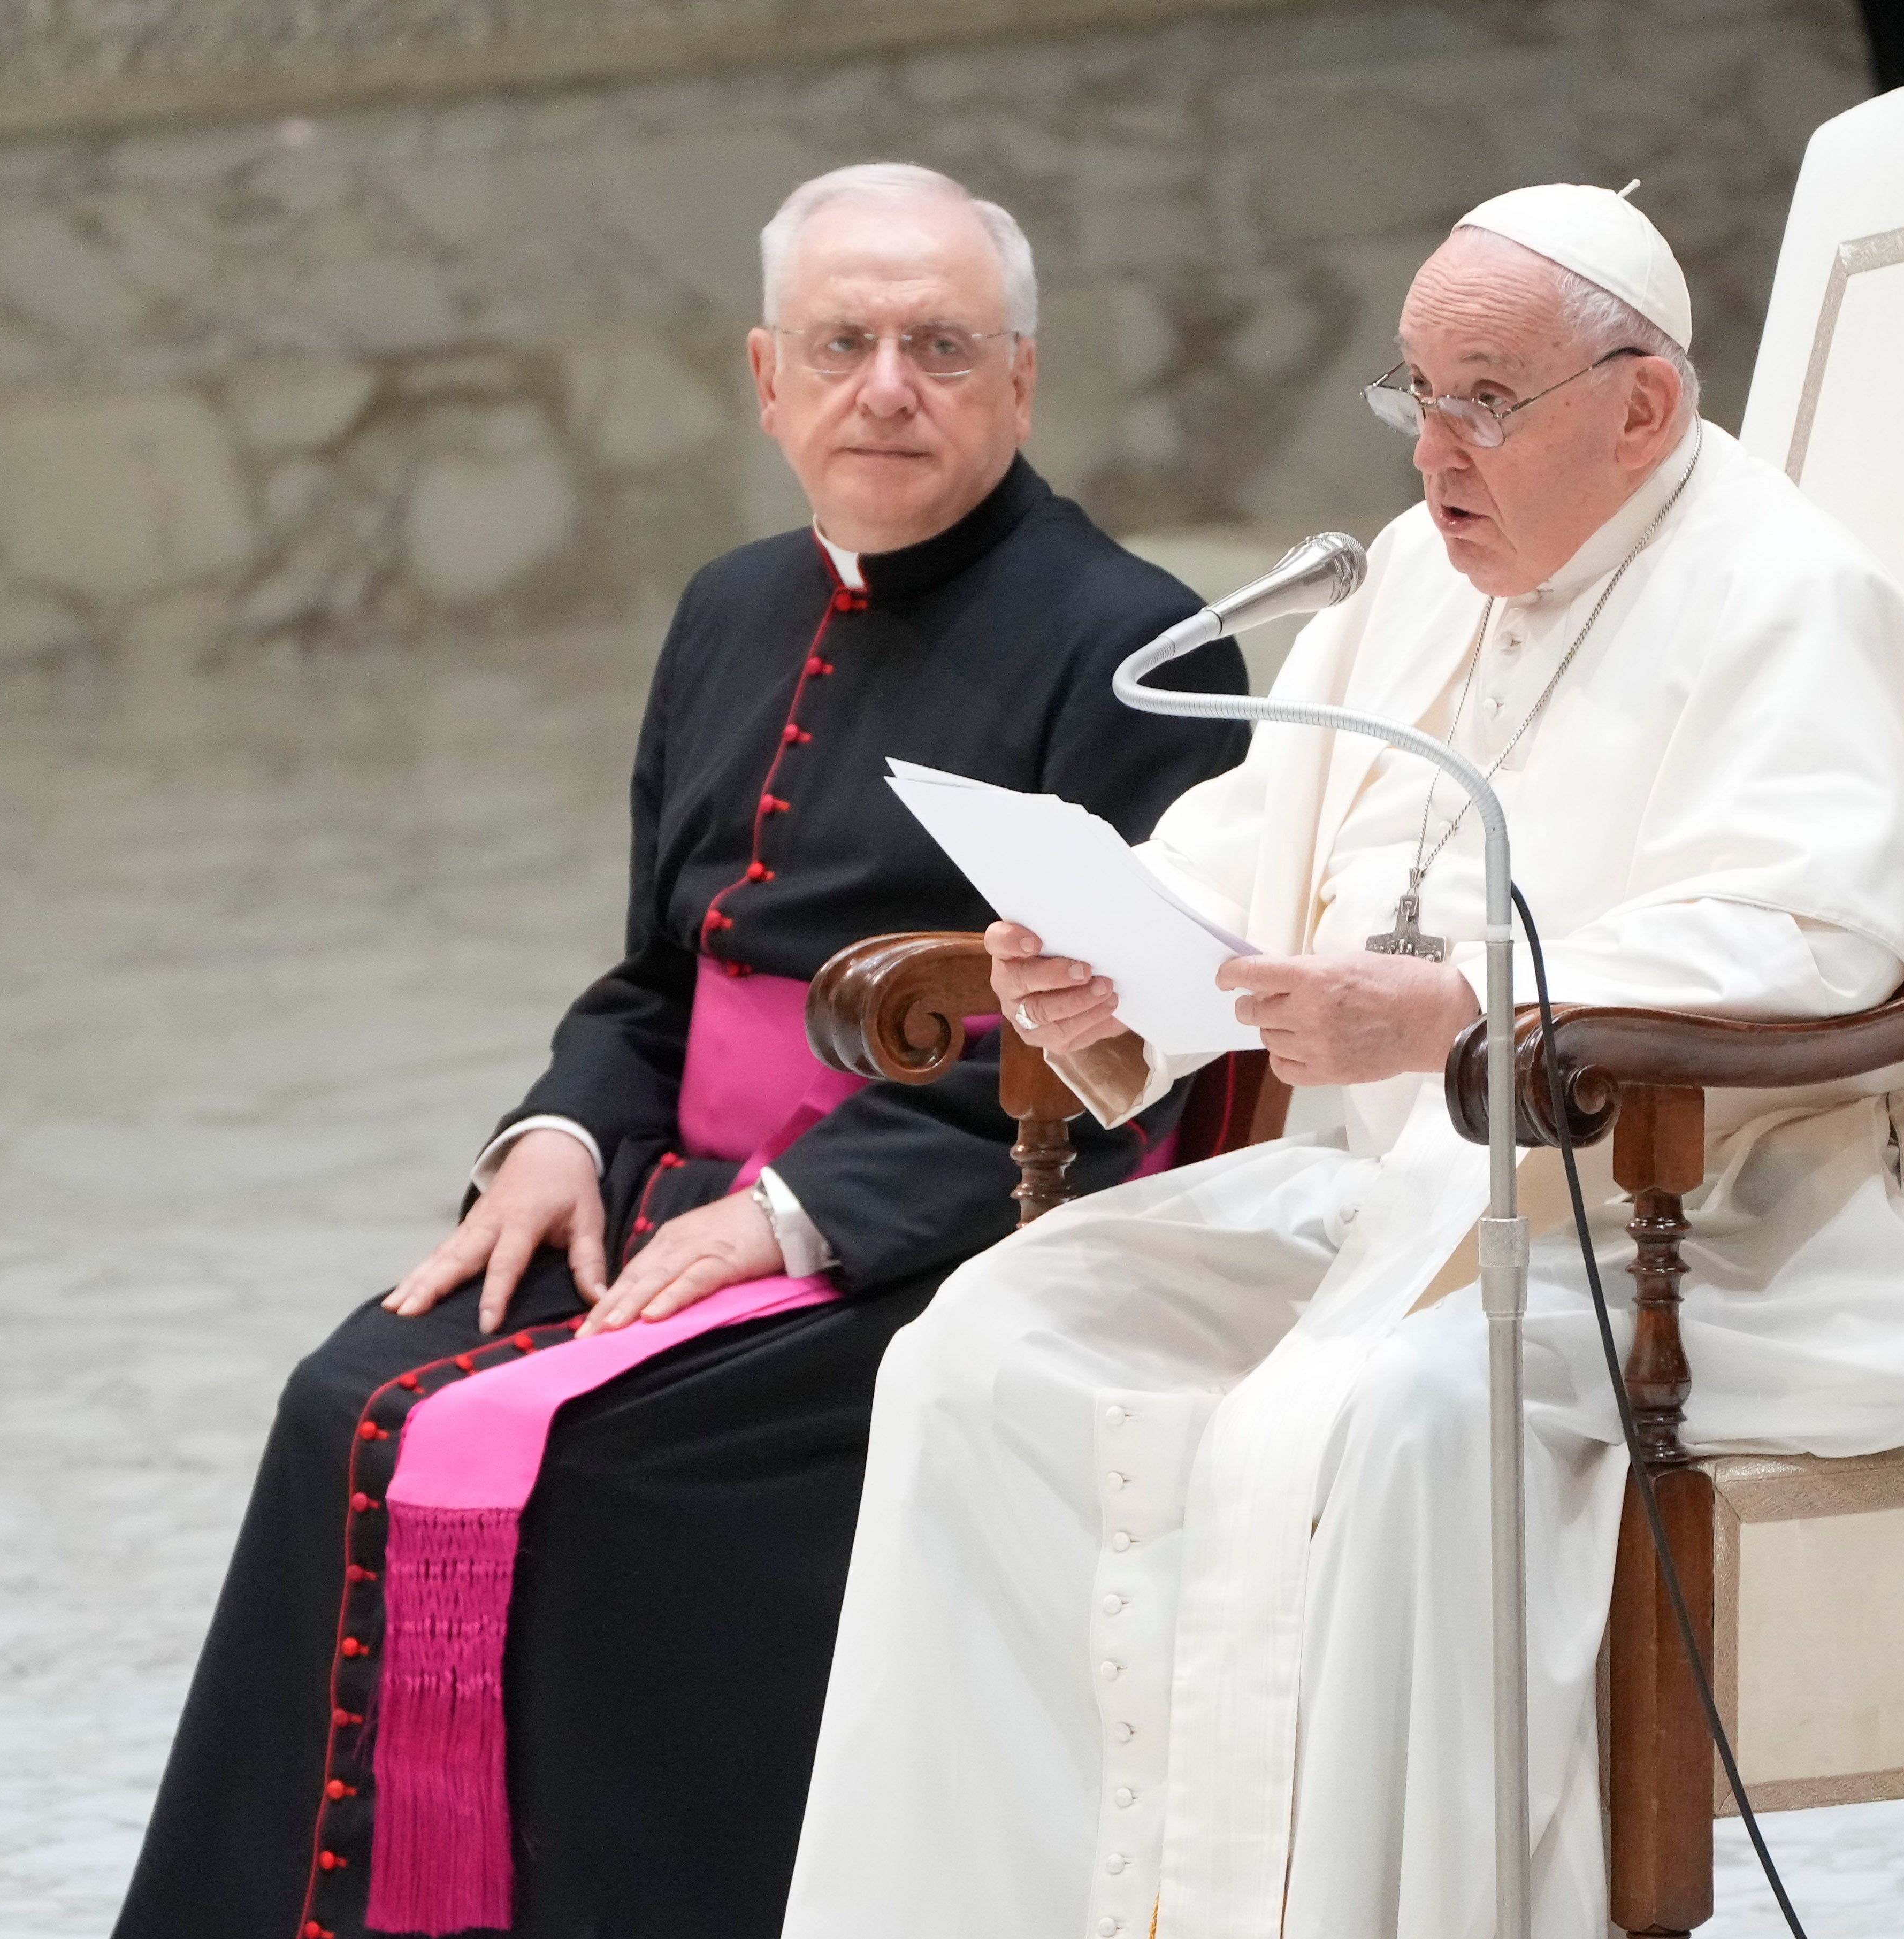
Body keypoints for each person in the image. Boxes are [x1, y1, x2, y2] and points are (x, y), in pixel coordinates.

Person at [783, 184, 1904, 1939]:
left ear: (1642, 409)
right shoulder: (1421, 583)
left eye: (1484, 401)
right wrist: (1113, 949)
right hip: (1406, 1203)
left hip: (1718, 1232)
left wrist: (1456, 1019)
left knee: (1385, 1422)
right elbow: (1255, 843)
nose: (1436, 450)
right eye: (1415, 396)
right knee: (984, 1350)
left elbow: (1798, 951)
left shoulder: (1790, 599)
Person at [114, 164, 1248, 1939]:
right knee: (347, 1400)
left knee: (598, 1463)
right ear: (765, 377)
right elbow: (659, 976)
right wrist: (558, 1134)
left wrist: (794, 1211)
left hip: (943, 1227)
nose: (890, 384)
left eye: (943, 346)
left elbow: (1133, 1060)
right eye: (845, 342)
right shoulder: (730, 606)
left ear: (1022, 381)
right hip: (661, 1195)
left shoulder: (1132, 645)